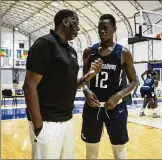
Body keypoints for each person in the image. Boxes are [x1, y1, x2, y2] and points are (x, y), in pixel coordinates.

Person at [23, 9, 103, 159]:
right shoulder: (45, 44)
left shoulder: (70, 50)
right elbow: (29, 86)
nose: (78, 28)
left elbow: (70, 85)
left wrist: (90, 74)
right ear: (66, 21)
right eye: (76, 23)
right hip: (47, 122)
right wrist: (39, 126)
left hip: (67, 120)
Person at [81, 14, 137, 159]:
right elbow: (84, 80)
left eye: (106, 28)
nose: (102, 31)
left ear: (114, 29)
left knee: (119, 150)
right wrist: (86, 91)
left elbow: (134, 82)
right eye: (99, 28)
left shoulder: (123, 53)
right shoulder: (89, 51)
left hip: (116, 108)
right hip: (92, 108)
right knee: (91, 151)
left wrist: (119, 95)